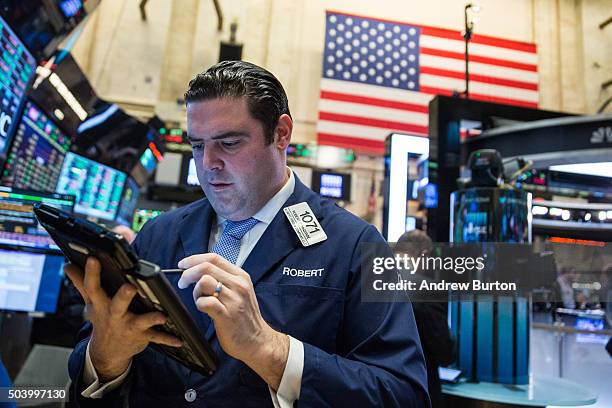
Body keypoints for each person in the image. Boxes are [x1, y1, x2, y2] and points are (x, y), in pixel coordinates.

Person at [64, 60, 430, 407]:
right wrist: (105, 357)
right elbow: (90, 377)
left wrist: (269, 348)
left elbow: (402, 394)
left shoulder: (356, 245)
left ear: (281, 133)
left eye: (229, 142)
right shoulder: (159, 235)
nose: (208, 163)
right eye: (197, 145)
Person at [395, 230, 455, 408]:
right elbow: (444, 352)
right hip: (416, 393)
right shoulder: (428, 289)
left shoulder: (367, 282)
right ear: (424, 254)